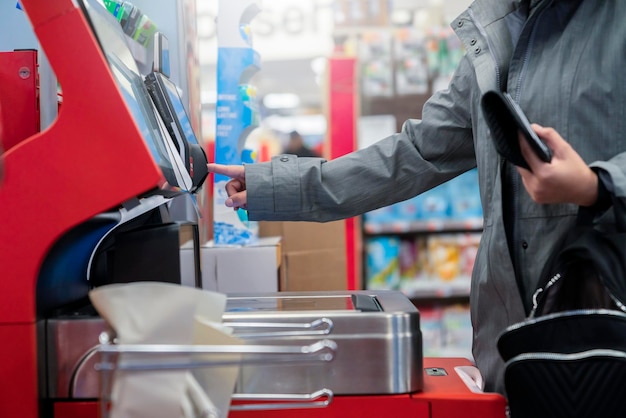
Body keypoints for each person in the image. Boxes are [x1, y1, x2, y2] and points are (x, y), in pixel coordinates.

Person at [208, 0, 626, 396]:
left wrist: (597, 184)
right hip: (511, 345)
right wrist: (280, 184)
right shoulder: (497, 30)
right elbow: (416, 152)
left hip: (607, 324)